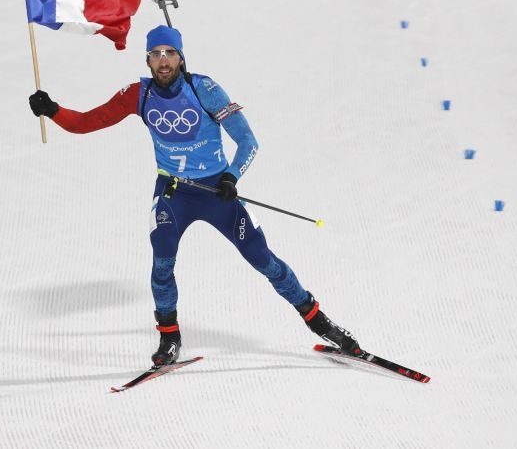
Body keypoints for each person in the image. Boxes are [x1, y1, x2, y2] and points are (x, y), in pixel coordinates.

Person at [28, 25, 361, 366]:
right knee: (162, 262)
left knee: (264, 260)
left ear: (181, 57)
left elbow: (248, 142)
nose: (163, 61)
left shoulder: (204, 89)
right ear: (147, 60)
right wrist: (52, 109)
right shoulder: (137, 94)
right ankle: (169, 336)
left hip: (217, 192)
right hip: (174, 194)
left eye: (169, 53)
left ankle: (320, 322)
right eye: (156, 54)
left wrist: (231, 177)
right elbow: (87, 122)